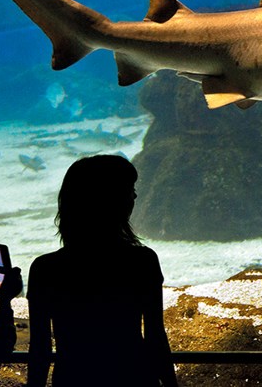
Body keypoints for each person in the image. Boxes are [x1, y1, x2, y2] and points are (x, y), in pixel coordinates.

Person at [27, 155, 178, 387]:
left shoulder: (44, 268)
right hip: (134, 378)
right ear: (111, 200)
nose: (134, 196)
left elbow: (40, 348)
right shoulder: (142, 261)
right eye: (129, 189)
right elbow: (155, 337)